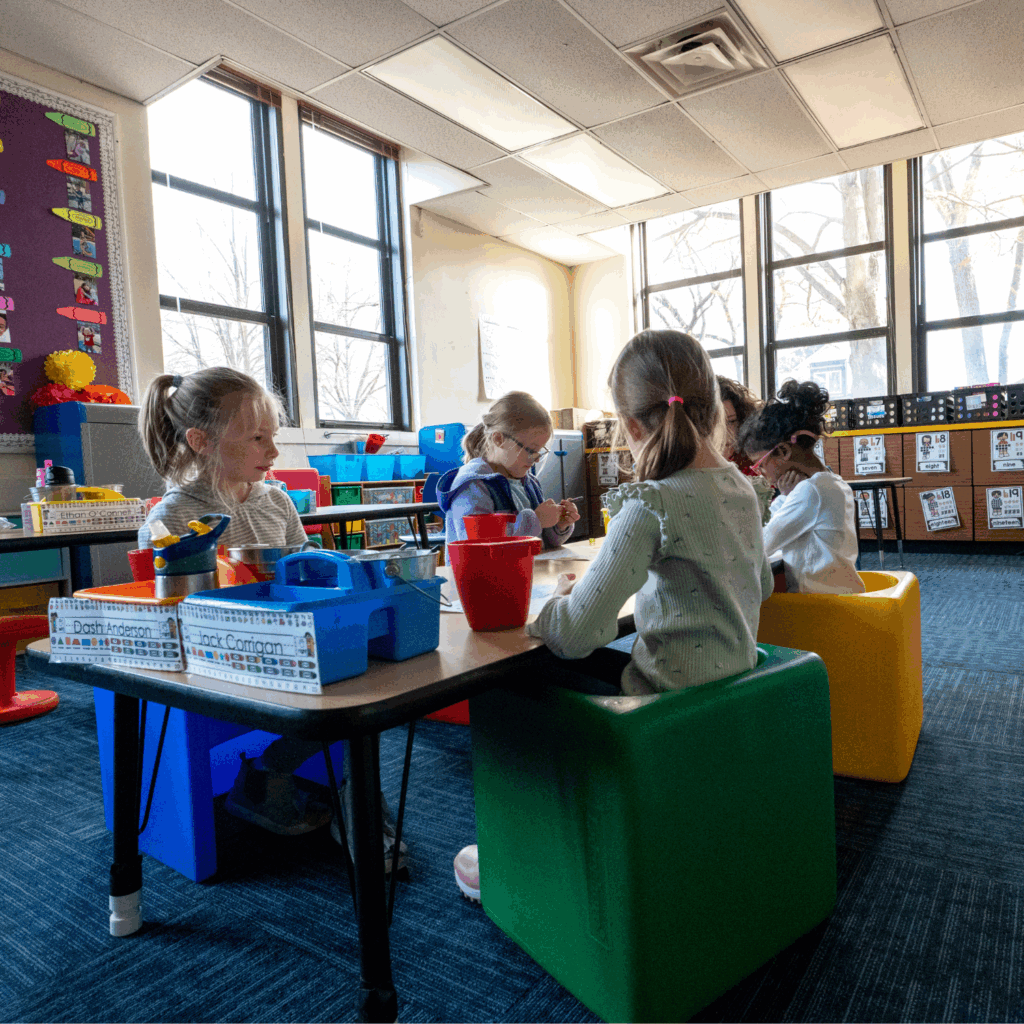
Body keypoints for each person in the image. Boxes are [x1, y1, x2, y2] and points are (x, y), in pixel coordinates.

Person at [453, 330, 773, 901]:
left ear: (629, 425)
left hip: (659, 709)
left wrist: (550, 606)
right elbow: (763, 584)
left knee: (514, 677)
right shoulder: (742, 490)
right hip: (730, 694)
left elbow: (575, 634)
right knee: (603, 657)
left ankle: (526, 849)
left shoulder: (651, 502)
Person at [137, 368, 407, 871]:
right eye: (258, 439)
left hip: (285, 648)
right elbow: (163, 613)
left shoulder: (277, 499)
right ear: (201, 441)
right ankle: (284, 781)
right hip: (214, 661)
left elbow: (308, 570)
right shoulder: (171, 517)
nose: (274, 451)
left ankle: (291, 779)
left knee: (373, 685)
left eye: (273, 437)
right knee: (345, 698)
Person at [737, 379, 864, 595]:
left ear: (784, 451)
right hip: (838, 597)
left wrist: (786, 497)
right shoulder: (830, 481)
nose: (760, 472)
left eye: (760, 464)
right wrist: (787, 496)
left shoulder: (811, 492)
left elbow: (762, 544)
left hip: (822, 607)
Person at [436, 391, 579, 561]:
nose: (537, 458)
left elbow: (542, 541)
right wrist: (537, 520)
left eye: (540, 451)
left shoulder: (529, 483)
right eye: (531, 450)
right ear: (498, 439)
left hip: (522, 577)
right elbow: (481, 550)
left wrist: (559, 525)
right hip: (479, 584)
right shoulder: (473, 486)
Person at [718, 375, 773, 525]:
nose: (726, 433)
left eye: (731, 422)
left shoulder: (756, 460)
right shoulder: (691, 467)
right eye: (717, 423)